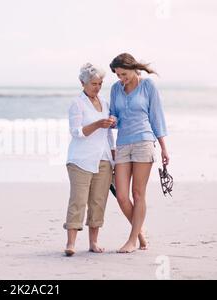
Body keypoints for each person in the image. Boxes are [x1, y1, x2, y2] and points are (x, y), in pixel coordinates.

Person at [109, 53, 169, 253]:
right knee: (122, 196)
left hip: (144, 141)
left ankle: (132, 240)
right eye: (118, 75)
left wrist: (163, 147)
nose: (121, 79)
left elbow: (156, 117)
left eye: (124, 74)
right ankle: (141, 235)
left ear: (133, 68)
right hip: (123, 144)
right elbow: (114, 114)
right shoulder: (115, 89)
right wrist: (112, 119)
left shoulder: (148, 86)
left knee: (138, 193)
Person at [63, 63, 116, 256]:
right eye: (94, 83)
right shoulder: (77, 103)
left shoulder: (104, 101)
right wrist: (97, 124)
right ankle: (70, 244)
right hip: (80, 160)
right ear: (82, 82)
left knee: (98, 202)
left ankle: (93, 243)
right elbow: (76, 132)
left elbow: (108, 133)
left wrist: (113, 154)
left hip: (103, 159)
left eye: (100, 83)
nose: (97, 87)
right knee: (78, 200)